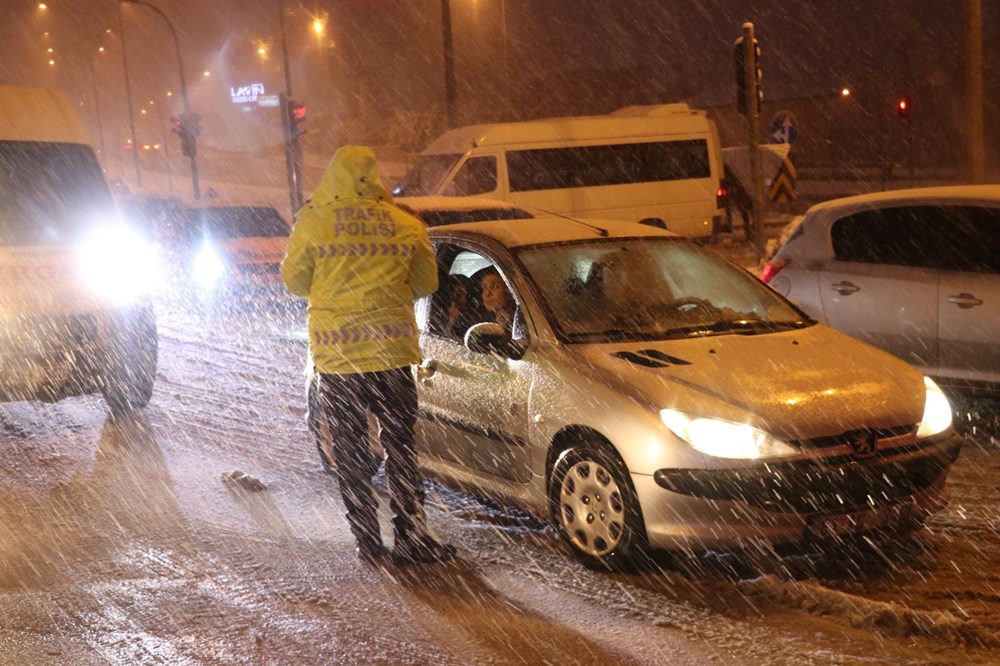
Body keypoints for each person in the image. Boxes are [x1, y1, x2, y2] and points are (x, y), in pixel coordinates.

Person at [281, 145, 456, 566]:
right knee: (400, 446)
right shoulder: (404, 224)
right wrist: (385, 292)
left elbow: (294, 281)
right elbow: (426, 283)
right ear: (374, 177)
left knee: (350, 449)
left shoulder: (314, 222)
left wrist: (334, 291)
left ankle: (366, 538)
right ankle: (412, 536)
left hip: (340, 358)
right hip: (391, 353)